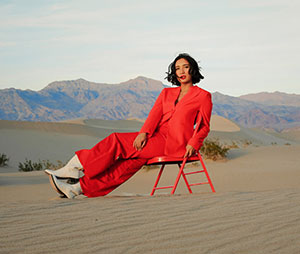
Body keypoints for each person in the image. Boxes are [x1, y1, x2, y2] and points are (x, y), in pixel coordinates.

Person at [46, 53, 213, 199]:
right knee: (128, 164)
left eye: (185, 67)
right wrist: (144, 133)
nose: (181, 71)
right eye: (177, 68)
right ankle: (76, 188)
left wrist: (194, 143)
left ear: (193, 69)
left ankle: (74, 167)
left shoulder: (203, 96)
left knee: (116, 140)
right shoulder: (166, 93)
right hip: (156, 137)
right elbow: (154, 115)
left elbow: (204, 126)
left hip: (175, 144)